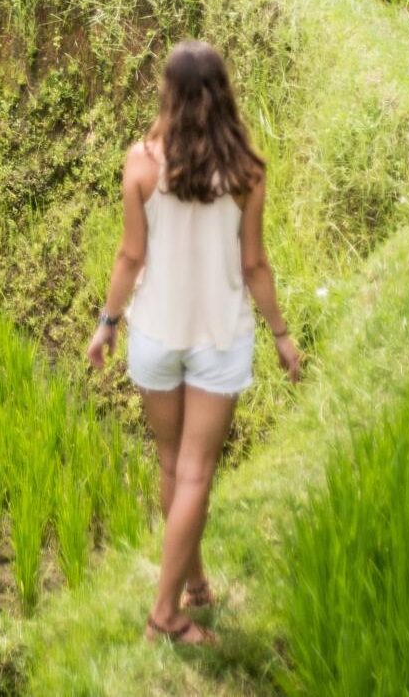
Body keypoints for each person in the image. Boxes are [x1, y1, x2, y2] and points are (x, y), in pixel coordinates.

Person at [87, 39, 302, 647]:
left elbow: (132, 255)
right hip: (218, 339)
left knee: (172, 465)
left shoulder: (141, 163)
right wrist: (282, 337)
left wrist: (107, 324)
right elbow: (255, 265)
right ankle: (166, 615)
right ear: (223, 94)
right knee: (197, 473)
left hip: (156, 335)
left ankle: (195, 582)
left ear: (169, 93)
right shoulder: (245, 172)